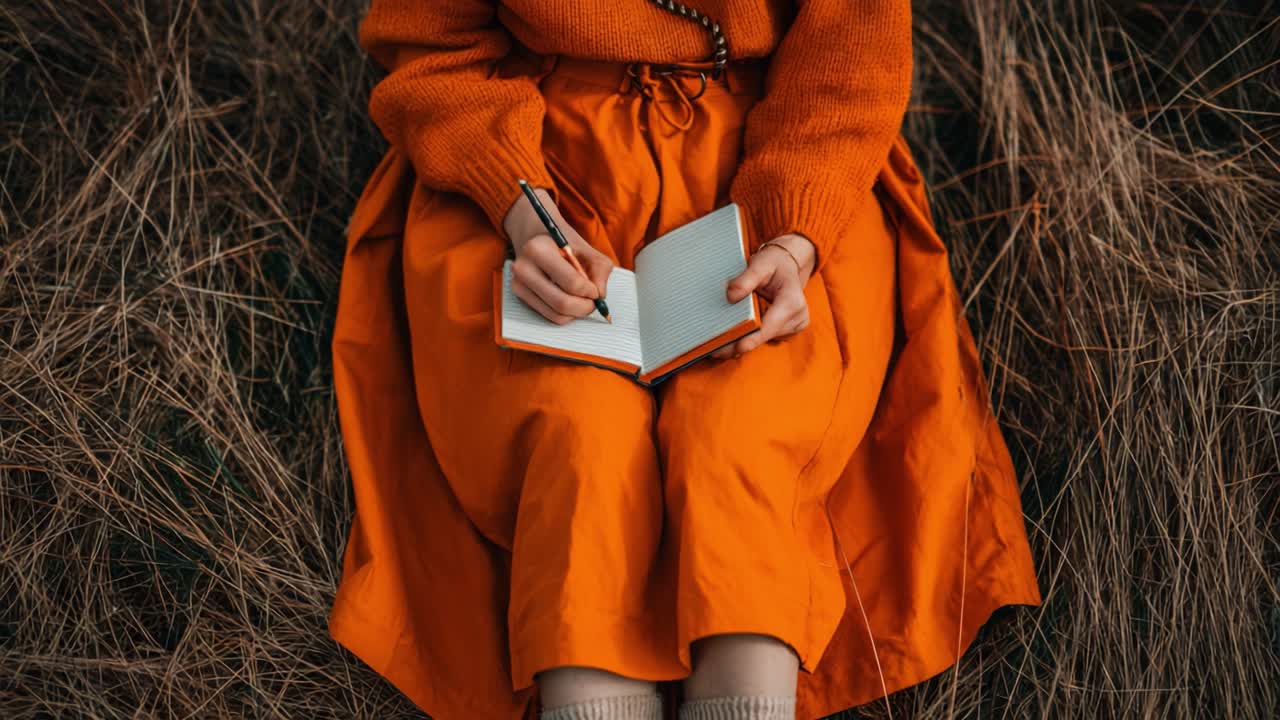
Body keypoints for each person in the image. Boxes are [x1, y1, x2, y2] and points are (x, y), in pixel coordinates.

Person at [327, 2, 1042, 719]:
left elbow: (850, 55)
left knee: (740, 436)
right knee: (574, 436)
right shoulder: (519, 188)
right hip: (530, 163)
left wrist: (795, 236)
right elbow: (430, 41)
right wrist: (520, 206)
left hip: (783, 151)